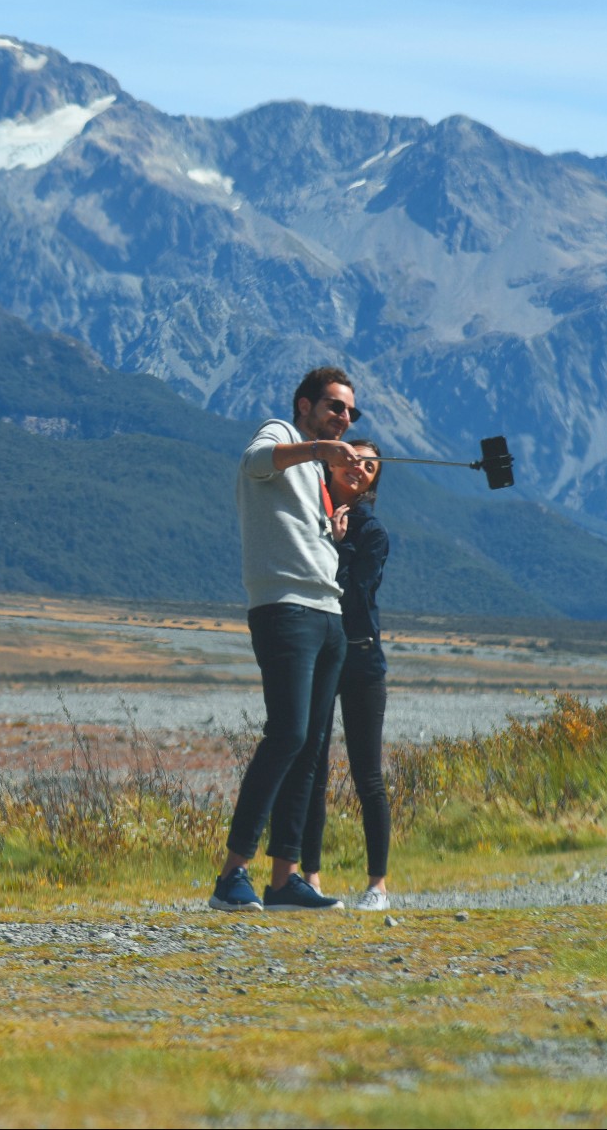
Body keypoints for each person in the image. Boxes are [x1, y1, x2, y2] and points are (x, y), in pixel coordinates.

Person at [209, 365, 359, 913]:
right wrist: (318, 448)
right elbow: (252, 464)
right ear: (305, 405)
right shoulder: (282, 435)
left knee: (311, 750)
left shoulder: (318, 470)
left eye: (349, 411)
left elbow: (297, 533)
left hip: (328, 612)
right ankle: (232, 875)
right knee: (287, 735)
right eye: (334, 407)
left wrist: (332, 534)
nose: (344, 418)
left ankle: (284, 881)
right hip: (285, 611)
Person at [298, 441, 394, 912]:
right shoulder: (307, 508)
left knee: (367, 775)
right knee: (312, 768)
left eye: (370, 467)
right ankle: (309, 877)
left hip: (359, 658)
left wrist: (337, 547)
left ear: (373, 482)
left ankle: (377, 886)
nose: (360, 469)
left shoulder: (371, 531)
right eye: (354, 458)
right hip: (318, 653)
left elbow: (355, 595)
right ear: (333, 461)